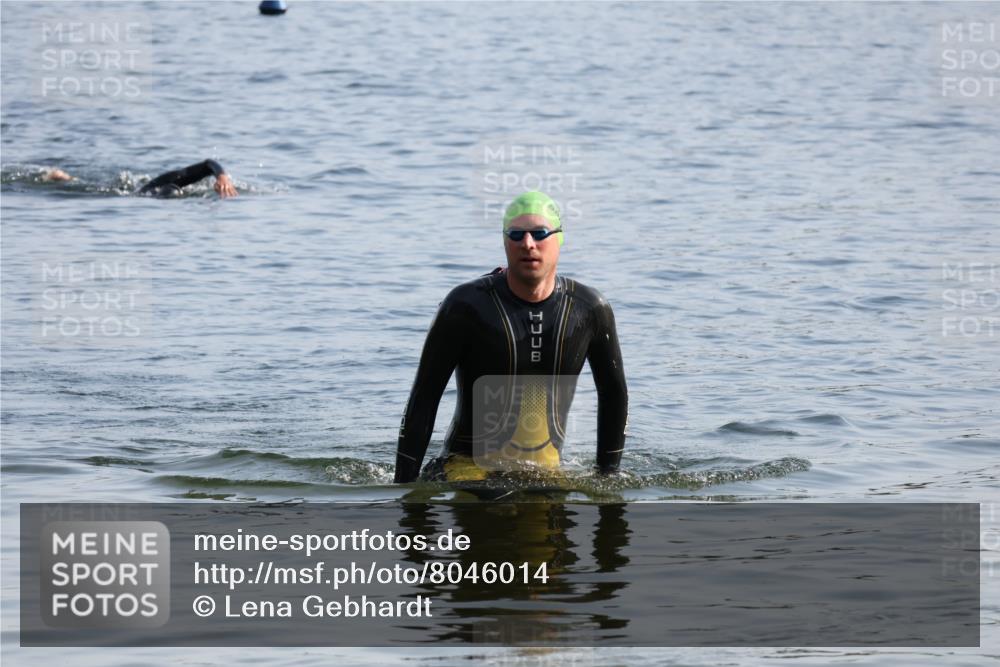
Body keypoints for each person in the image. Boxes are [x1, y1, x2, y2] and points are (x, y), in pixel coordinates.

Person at [394, 191, 628, 483]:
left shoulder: (589, 308)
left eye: (540, 233)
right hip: (466, 467)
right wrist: (403, 489)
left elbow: (614, 394)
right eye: (516, 234)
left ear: (559, 238)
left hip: (544, 471)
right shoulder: (465, 305)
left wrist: (608, 477)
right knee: (495, 498)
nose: (527, 243)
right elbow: (424, 398)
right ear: (505, 241)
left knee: (553, 506)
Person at [39, 159, 237, 198]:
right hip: (140, 192)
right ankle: (68, 180)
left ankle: (68, 179)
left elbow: (209, 163)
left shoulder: (176, 179)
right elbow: (206, 164)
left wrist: (222, 175)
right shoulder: (157, 188)